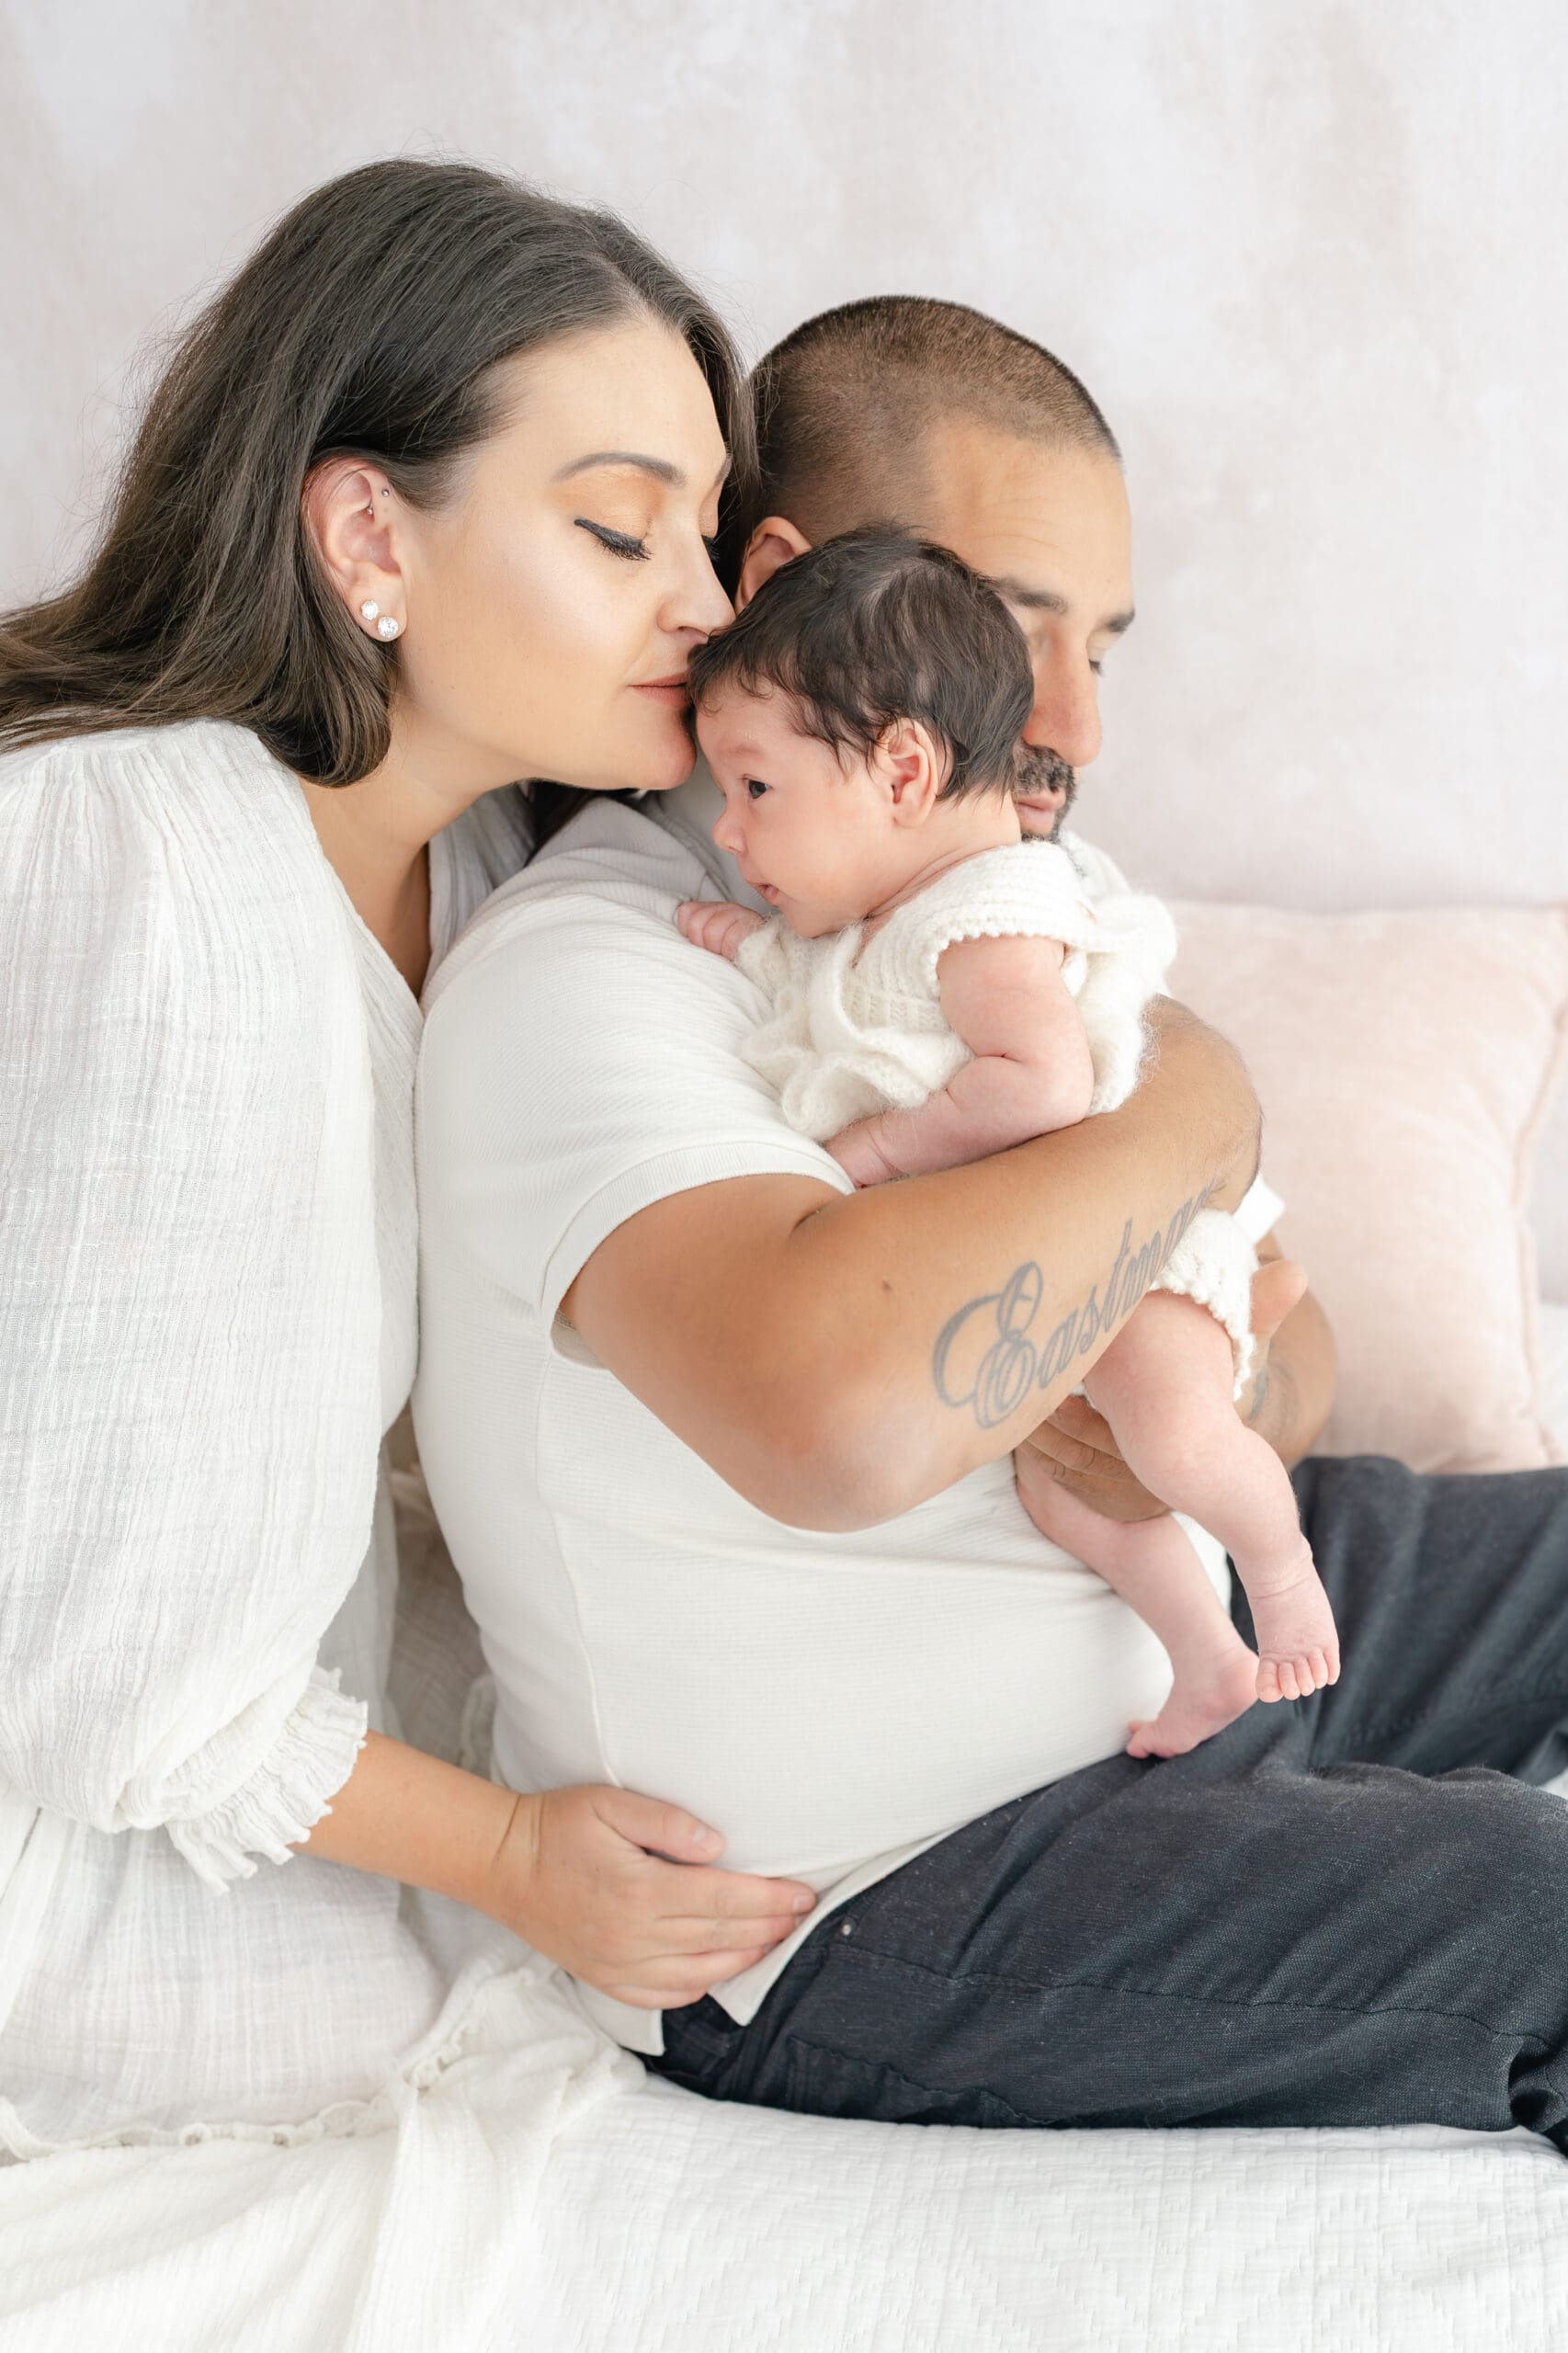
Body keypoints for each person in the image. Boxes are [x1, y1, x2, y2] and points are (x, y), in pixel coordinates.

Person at [414, 296, 1568, 2149]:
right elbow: (844, 1418)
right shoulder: (592, 973)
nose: (1080, 715)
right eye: (1020, 616)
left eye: (1099, 639)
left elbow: (1293, 1320)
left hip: (1173, 1629)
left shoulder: (1007, 897)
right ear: (804, 580)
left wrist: (1190, 1431)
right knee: (1536, 1899)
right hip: (896, 1883)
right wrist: (1196, 1102)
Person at [0, 156, 818, 2157]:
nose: (703, 608)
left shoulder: (474, 868)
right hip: (66, 1867)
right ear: (368, 530)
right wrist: (519, 1854)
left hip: (240, 1754)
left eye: (707, 535)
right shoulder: (156, 872)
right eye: (622, 527)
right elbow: (99, 1667)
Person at [676, 524, 1337, 1754]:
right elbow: (814, 976)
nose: (727, 827)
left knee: (1173, 1438)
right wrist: (736, 939)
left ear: (904, 773)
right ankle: (1205, 1660)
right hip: (1044, 1269)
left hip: (1138, 1259)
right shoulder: (886, 912)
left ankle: (1280, 1564)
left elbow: (1036, 1086)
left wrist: (875, 1156)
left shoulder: (988, 915)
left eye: (755, 790)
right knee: (1068, 1500)